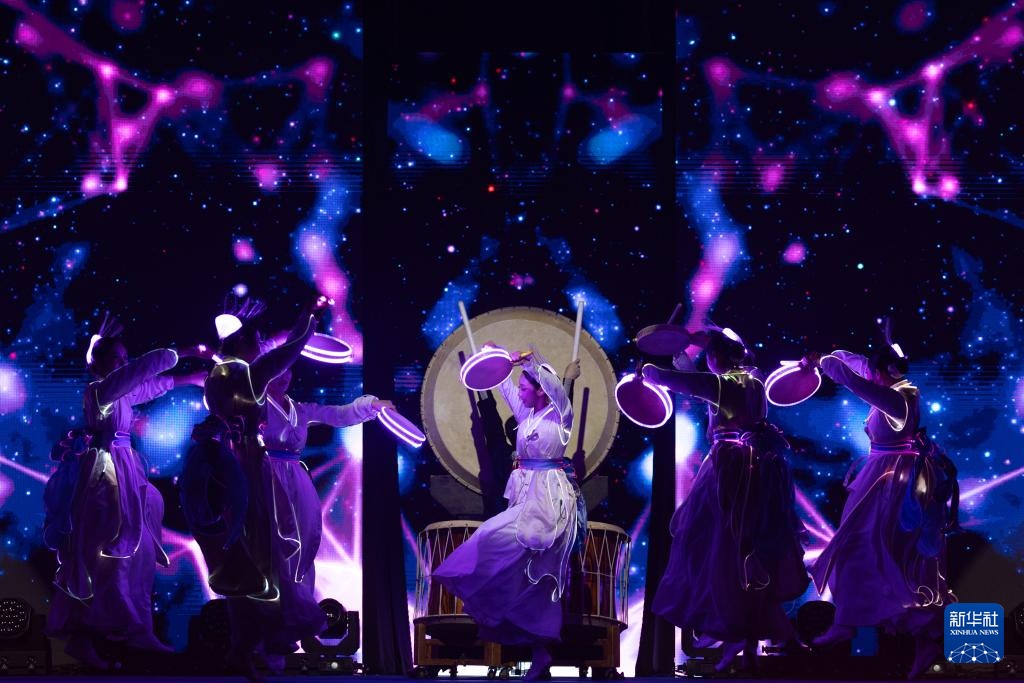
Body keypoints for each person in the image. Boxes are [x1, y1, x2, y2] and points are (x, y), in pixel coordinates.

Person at [44, 312, 207, 669]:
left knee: (135, 550)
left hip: (123, 470)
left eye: (123, 359)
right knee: (107, 552)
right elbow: (140, 372)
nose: (123, 364)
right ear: (100, 363)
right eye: (117, 359)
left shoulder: (118, 393)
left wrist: (192, 378)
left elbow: (149, 385)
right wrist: (183, 351)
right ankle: (115, 629)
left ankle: (130, 628)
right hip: (105, 476)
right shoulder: (101, 391)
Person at [645, 326, 808, 673]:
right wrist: (694, 352)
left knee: (718, 547)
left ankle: (738, 632)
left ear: (716, 357)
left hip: (729, 470)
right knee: (743, 550)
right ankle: (745, 641)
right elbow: (704, 385)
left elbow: (684, 383)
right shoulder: (753, 378)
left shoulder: (723, 383)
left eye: (709, 356)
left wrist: (649, 370)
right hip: (757, 468)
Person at [181, 296, 328, 680]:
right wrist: (309, 318)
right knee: (267, 556)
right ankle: (265, 643)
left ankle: (245, 648)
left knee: (245, 559)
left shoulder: (217, 376)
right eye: (258, 342)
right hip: (251, 471)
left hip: (227, 471)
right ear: (245, 345)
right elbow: (289, 353)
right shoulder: (248, 374)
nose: (263, 347)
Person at [807, 320, 957, 679]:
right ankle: (850, 621)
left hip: (893, 483)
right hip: (882, 476)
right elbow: (859, 366)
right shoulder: (894, 386)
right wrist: (829, 356)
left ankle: (918, 637)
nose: (871, 375)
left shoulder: (899, 397)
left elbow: (856, 381)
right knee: (864, 551)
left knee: (890, 558)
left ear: (885, 371)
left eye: (875, 371)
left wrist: (828, 365)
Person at [433, 343, 582, 680]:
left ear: (540, 391)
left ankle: (540, 647)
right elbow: (504, 386)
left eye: (525, 387)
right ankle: (537, 647)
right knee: (501, 548)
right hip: (525, 498)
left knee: (538, 568)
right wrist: (498, 358)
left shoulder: (561, 416)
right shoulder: (526, 415)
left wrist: (533, 360)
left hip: (550, 500)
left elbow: (556, 388)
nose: (520, 391)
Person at [257, 367, 394, 656]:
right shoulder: (256, 404)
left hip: (295, 476)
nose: (284, 377)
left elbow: (337, 414)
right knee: (277, 546)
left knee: (306, 541)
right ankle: (273, 624)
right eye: (278, 372)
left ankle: (296, 616)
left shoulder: (299, 409)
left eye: (288, 372)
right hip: (268, 475)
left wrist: (370, 405)